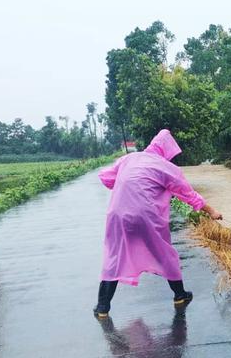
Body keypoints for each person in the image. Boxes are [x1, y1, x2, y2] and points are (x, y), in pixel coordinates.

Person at [93, 129, 222, 317]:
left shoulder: (129, 159)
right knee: (163, 253)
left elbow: (106, 178)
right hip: (146, 215)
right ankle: (180, 294)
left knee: (114, 257)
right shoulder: (166, 168)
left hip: (118, 215)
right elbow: (187, 194)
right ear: (167, 150)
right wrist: (212, 211)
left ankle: (102, 307)